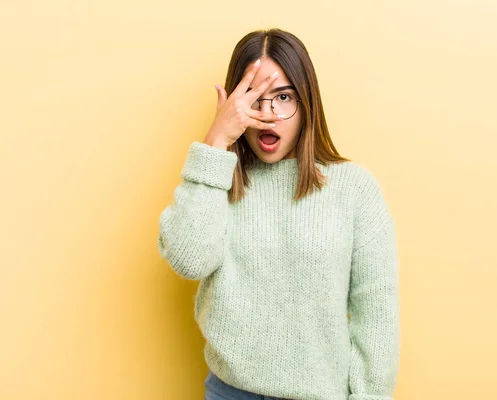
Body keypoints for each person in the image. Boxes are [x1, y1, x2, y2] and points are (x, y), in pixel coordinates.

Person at [158, 28, 400, 400]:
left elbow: (376, 314)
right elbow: (188, 260)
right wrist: (215, 143)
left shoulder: (354, 189)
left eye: (283, 97)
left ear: (306, 104)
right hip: (230, 392)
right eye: (254, 98)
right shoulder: (217, 179)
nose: (268, 116)